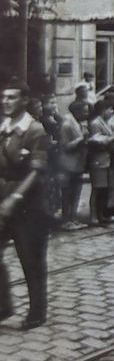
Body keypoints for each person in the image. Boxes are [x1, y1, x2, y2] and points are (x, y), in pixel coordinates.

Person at [0, 81, 51, 329]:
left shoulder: (34, 130)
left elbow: (36, 172)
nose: (5, 101)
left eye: (11, 97)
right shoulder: (3, 127)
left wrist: (15, 198)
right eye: (4, 97)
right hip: (3, 201)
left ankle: (37, 312)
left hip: (29, 206)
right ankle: (2, 307)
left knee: (31, 260)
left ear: (24, 101)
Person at [88, 100, 114, 226]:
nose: (112, 112)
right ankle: (94, 216)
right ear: (103, 110)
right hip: (98, 160)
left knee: (104, 189)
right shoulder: (95, 123)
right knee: (97, 189)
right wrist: (113, 136)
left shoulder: (104, 122)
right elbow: (99, 142)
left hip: (106, 159)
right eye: (110, 109)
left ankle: (101, 214)